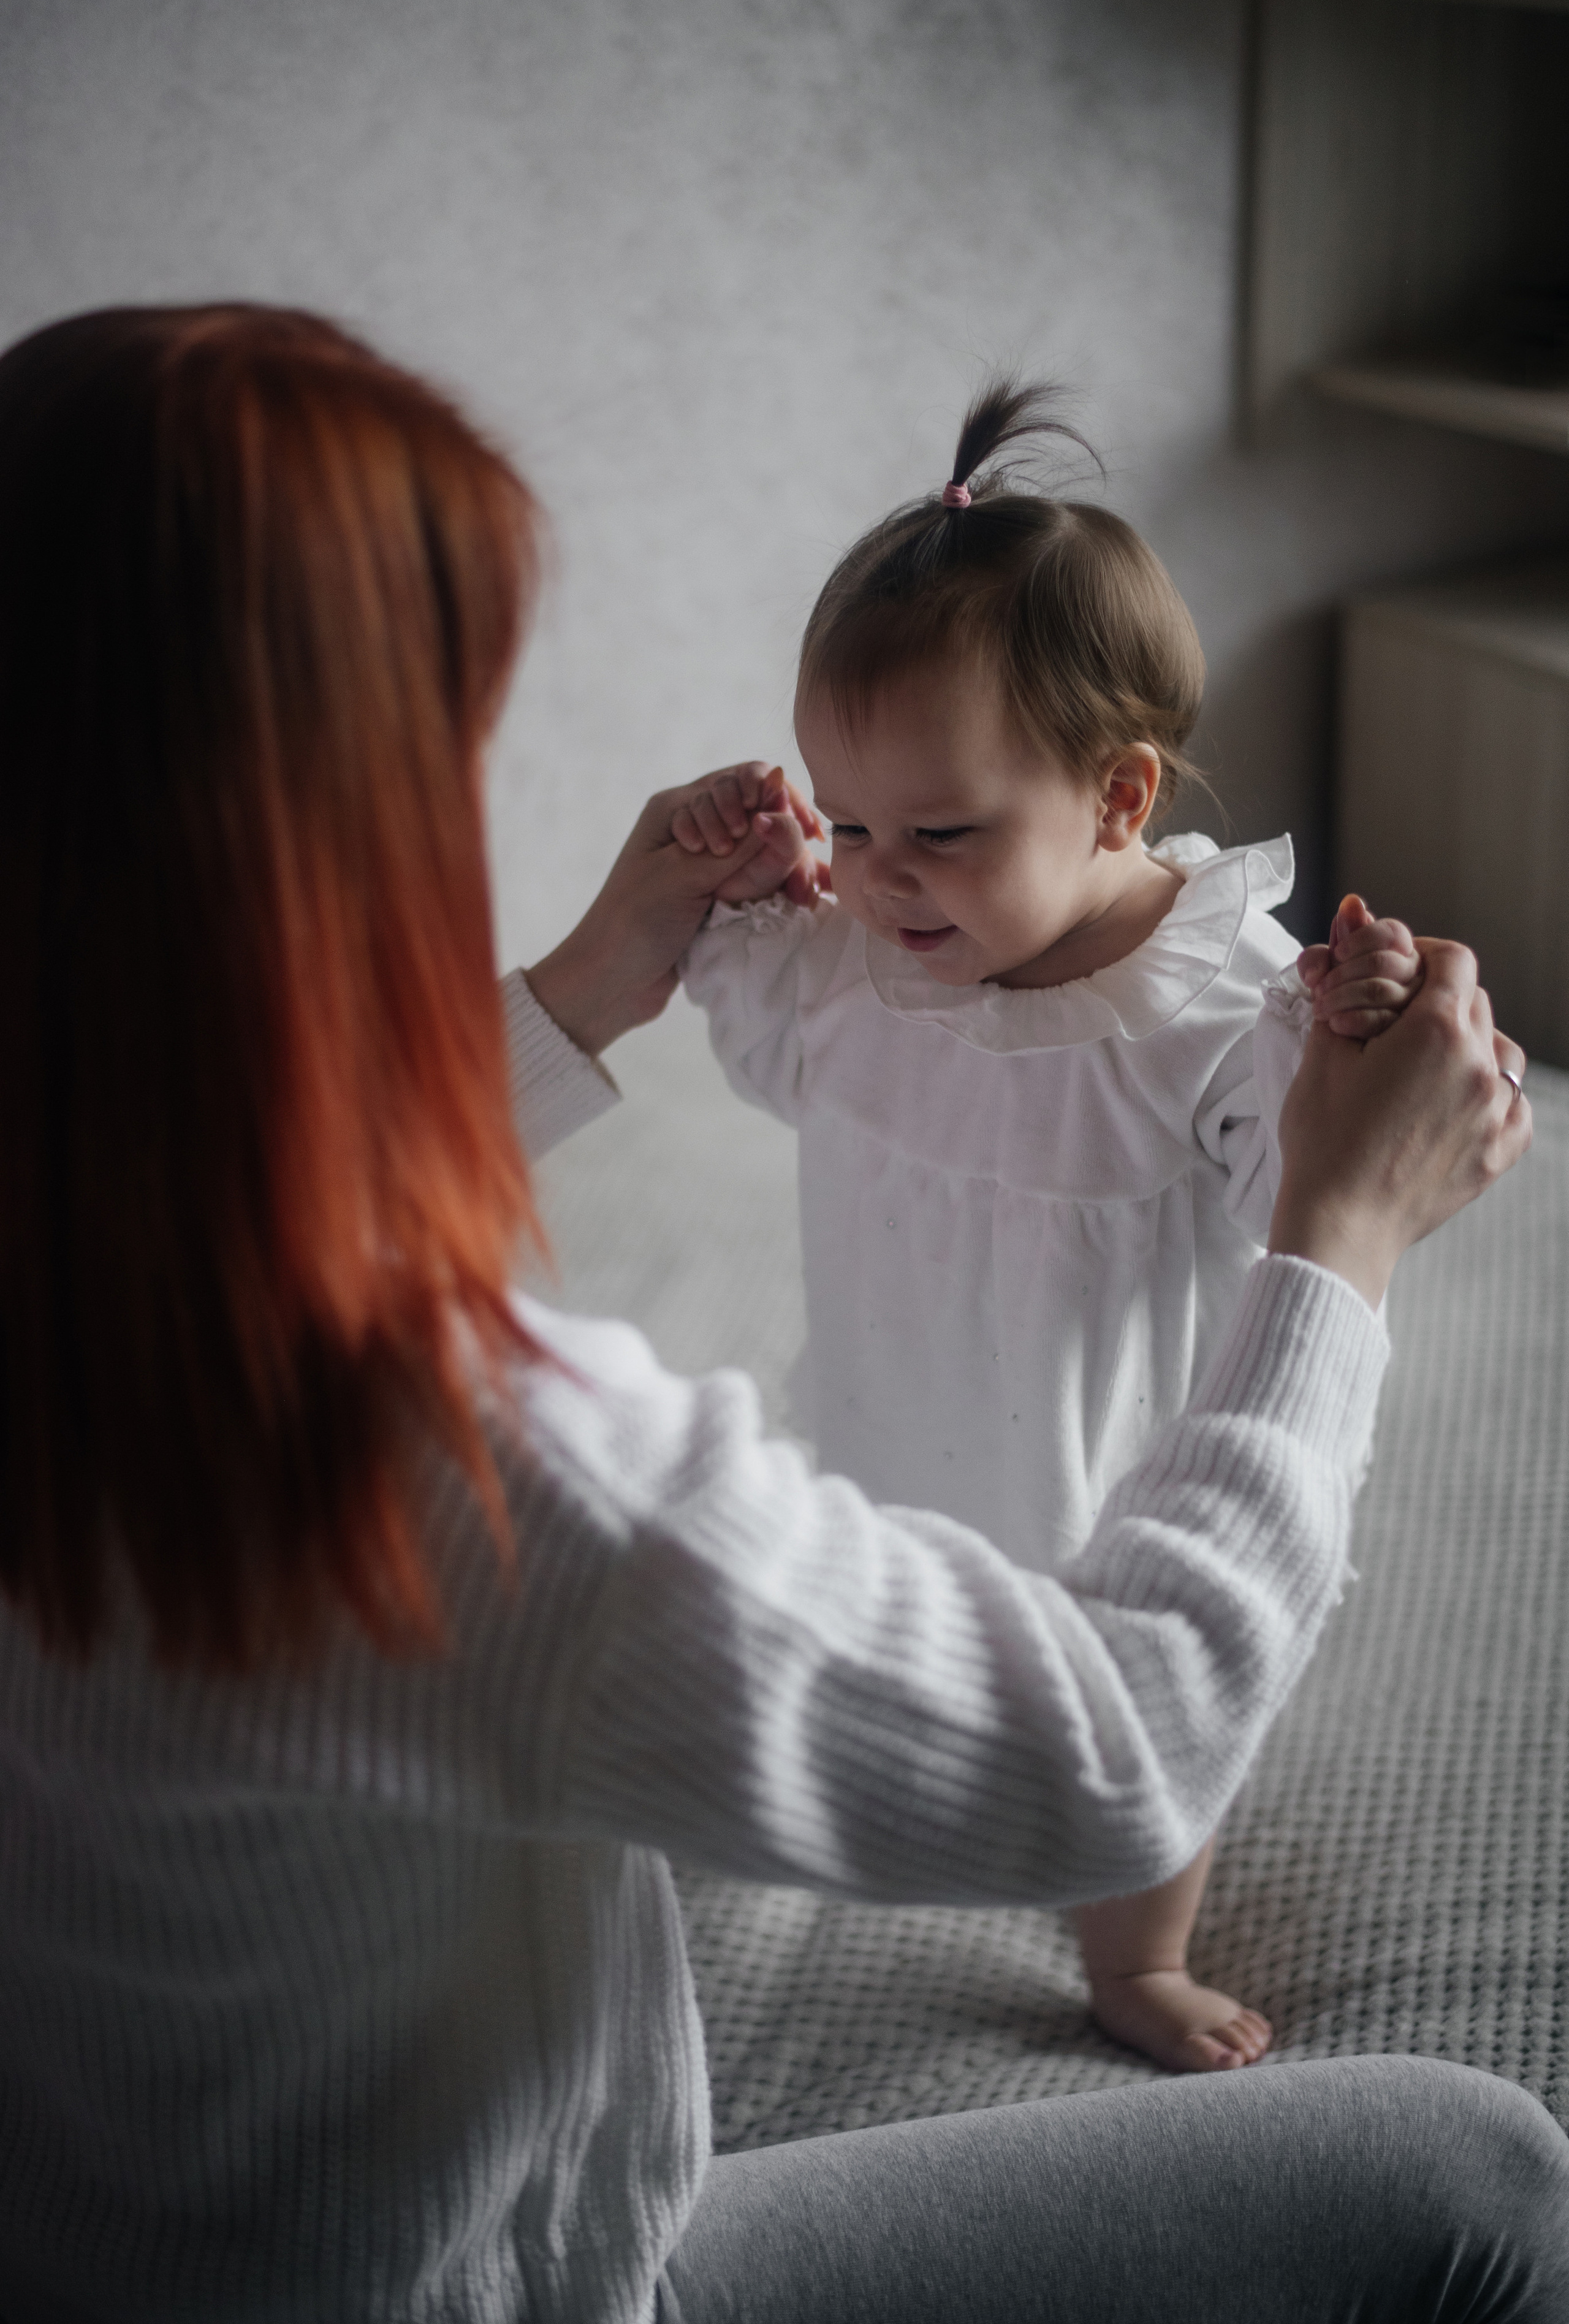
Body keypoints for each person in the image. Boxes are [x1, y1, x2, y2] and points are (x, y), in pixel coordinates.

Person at [0, 302, 1556, 2324]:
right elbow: (1120, 1747)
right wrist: (1343, 1231)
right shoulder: (456, 1469)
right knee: (1490, 2179)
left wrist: (584, 978)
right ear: (306, 839)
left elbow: (265, 1166)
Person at [669, 376, 1423, 2073]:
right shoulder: (860, 959)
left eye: (941, 832)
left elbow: (1315, 1166)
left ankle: (1131, 1954)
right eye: (849, 820)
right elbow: (757, 1019)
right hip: (893, 1416)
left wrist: (1353, 1023)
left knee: (1134, 1737)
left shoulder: (1212, 1004)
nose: (883, 875)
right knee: (865, 1622)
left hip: (1112, 1481)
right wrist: (740, 877)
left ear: (1116, 799)